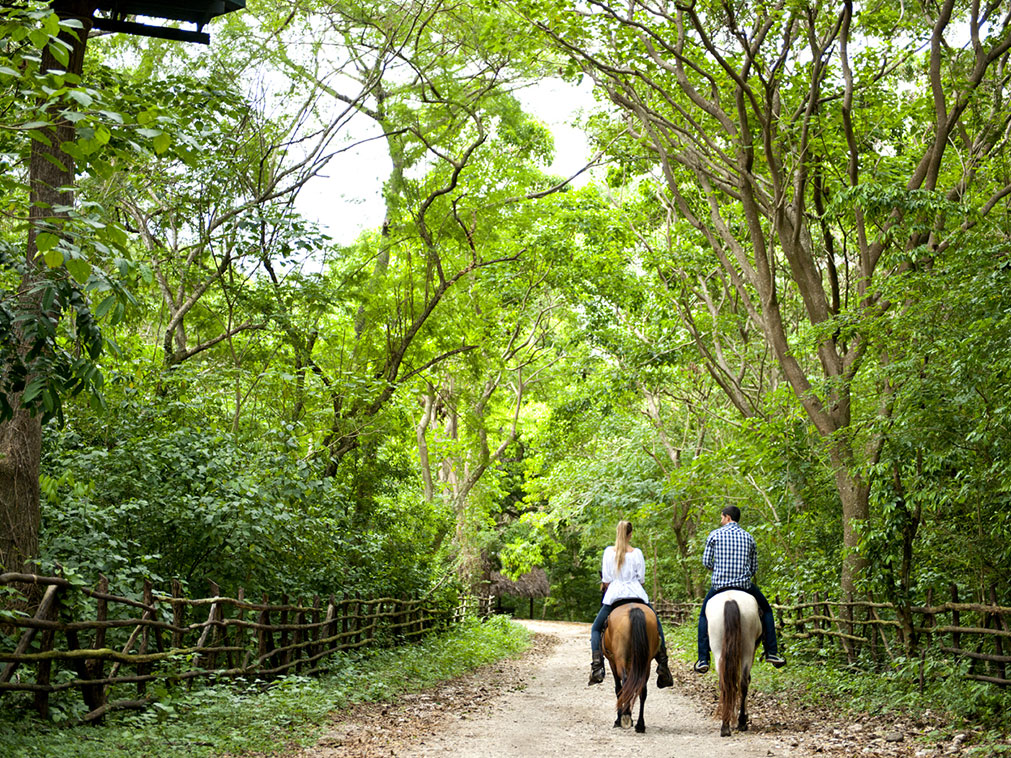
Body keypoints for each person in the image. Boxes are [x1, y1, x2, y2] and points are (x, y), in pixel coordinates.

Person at [694, 505, 786, 673]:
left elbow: (706, 562)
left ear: (727, 517)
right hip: (744, 585)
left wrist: (721, 570)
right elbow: (754, 567)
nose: (721, 521)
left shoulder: (714, 535)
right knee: (767, 611)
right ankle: (772, 652)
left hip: (719, 586)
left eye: (722, 517)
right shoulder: (748, 537)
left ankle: (702, 658)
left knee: (703, 616)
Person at [589, 520, 673, 689]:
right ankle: (663, 665)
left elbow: (606, 579)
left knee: (596, 629)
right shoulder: (637, 553)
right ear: (630, 534)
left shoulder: (608, 552)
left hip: (614, 596)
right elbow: (641, 579)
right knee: (656, 625)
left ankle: (597, 666)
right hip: (637, 594)